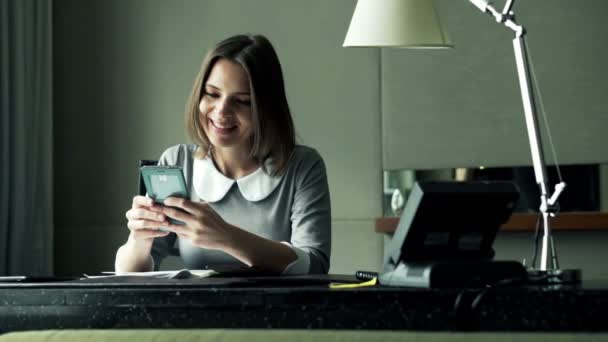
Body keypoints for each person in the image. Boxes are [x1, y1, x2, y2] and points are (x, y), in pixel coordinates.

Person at [114, 34, 331, 275]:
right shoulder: (177, 162)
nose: (222, 111)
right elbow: (133, 274)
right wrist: (139, 239)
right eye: (212, 94)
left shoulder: (303, 166)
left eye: (242, 101)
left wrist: (228, 237)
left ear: (266, 107)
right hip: (196, 311)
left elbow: (315, 265)